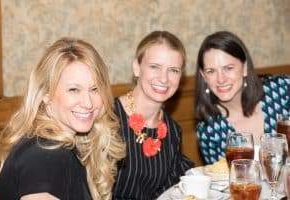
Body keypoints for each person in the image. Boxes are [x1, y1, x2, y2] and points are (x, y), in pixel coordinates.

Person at [0, 37, 125, 200]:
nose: (88, 103)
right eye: (74, 89)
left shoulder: (56, 144)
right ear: (46, 94)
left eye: (94, 89)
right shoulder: (46, 157)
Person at [112, 30, 194, 199]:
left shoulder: (172, 131)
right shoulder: (107, 118)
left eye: (173, 70)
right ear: (137, 67)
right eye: (154, 67)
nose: (164, 79)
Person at [195, 31, 290, 164]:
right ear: (204, 76)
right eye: (211, 71)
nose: (221, 79)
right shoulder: (210, 131)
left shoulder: (281, 90)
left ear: (245, 68)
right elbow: (222, 182)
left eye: (228, 68)